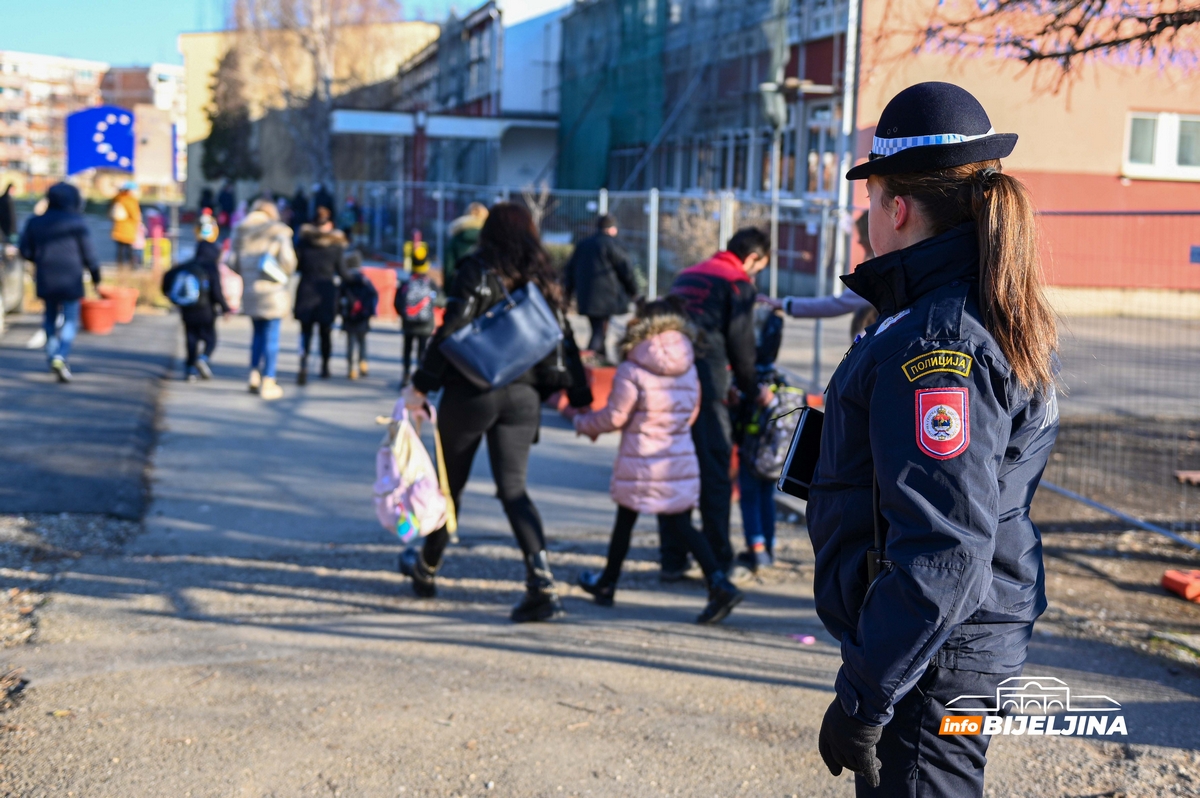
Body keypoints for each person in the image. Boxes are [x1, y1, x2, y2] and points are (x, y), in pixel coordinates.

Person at [808, 83, 1060, 797]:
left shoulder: (940, 340)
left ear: (897, 208)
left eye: (870, 197)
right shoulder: (940, 309)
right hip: (934, 651)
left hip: (930, 661)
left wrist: (865, 695)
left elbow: (944, 548)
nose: (867, 217)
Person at [400, 203, 587, 623]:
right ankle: (542, 584)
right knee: (514, 490)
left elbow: (450, 330)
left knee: (450, 488)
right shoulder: (544, 273)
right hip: (523, 396)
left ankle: (427, 569)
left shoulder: (476, 268)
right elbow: (565, 337)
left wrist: (421, 384)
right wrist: (580, 392)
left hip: (472, 392)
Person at [569, 296, 745, 624]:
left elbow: (615, 417)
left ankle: (607, 584)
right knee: (682, 524)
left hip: (642, 459)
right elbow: (690, 414)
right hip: (676, 459)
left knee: (626, 520)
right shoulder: (689, 362)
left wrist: (582, 423)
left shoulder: (633, 366)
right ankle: (719, 584)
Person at [667, 228, 774, 582]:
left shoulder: (687, 275)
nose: (755, 275)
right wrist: (752, 387)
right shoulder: (737, 283)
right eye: (759, 268)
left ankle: (672, 557)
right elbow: (742, 347)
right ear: (754, 258)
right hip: (708, 386)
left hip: (670, 383)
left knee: (674, 468)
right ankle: (718, 559)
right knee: (714, 473)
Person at [18, 183, 100, 383]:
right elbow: (89, 254)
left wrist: (39, 259)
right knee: (70, 319)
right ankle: (60, 356)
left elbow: (25, 251)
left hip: (45, 276)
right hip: (71, 278)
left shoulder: (35, 222)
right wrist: (96, 277)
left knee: (49, 318)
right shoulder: (77, 222)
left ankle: (53, 356)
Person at [230, 198, 297, 401]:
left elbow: (232, 261)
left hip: (251, 290)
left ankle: (253, 373)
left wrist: (247, 275)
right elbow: (289, 262)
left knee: (257, 334)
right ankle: (269, 378)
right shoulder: (278, 231)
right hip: (273, 290)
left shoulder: (241, 230)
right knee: (272, 336)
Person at [563, 214, 638, 362]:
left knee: (598, 331)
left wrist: (568, 293)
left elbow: (569, 270)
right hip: (608, 299)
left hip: (586, 297)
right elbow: (626, 270)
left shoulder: (583, 244)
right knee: (598, 333)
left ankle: (600, 361)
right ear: (612, 229)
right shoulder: (613, 245)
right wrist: (633, 291)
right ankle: (589, 363)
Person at [294, 206, 347, 385]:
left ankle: (303, 362)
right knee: (326, 332)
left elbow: (297, 266)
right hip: (326, 291)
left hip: (306, 288)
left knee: (305, 332)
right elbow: (342, 272)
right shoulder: (335, 246)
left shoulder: (303, 242)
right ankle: (325, 366)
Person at [162, 237, 228, 382]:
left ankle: (190, 369)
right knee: (210, 339)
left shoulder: (186, 265)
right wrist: (225, 308)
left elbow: (167, 278)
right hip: (207, 311)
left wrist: (170, 296)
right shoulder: (211, 267)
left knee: (191, 339)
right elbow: (217, 291)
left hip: (188, 309)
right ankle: (203, 358)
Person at [395, 255, 438, 386]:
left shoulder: (406, 283)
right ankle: (419, 378)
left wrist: (404, 314)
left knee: (407, 349)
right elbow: (440, 300)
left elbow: (397, 302)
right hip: (426, 324)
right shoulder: (430, 283)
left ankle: (406, 375)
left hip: (408, 323)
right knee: (422, 351)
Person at [339, 256, 377, 380]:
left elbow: (338, 297)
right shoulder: (365, 280)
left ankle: (351, 368)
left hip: (349, 316)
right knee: (362, 341)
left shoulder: (346, 281)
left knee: (350, 343)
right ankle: (363, 363)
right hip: (363, 316)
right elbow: (373, 295)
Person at [443, 202, 488, 288]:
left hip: (459, 286)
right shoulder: (488, 238)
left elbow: (448, 267)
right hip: (483, 288)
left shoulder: (456, 237)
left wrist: (449, 290)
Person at [109, 182, 142, 268]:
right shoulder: (129, 200)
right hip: (128, 227)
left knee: (120, 249)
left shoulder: (118, 198)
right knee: (129, 249)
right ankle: (131, 265)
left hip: (118, 226)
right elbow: (134, 215)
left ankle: (120, 266)